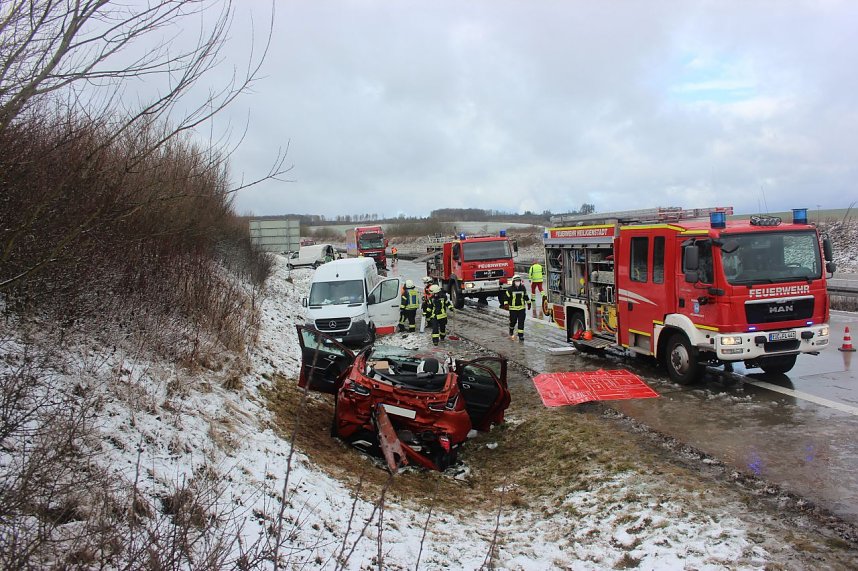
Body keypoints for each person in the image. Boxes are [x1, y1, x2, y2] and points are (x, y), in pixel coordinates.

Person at [502, 275, 531, 341]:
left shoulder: (523, 288)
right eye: (516, 281)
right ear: (513, 282)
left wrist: (528, 303)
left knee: (521, 322)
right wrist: (506, 304)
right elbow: (506, 298)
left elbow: (526, 296)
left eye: (519, 281)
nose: (518, 282)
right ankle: (511, 329)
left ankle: (521, 336)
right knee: (513, 321)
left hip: (521, 309)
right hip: (513, 309)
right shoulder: (510, 289)